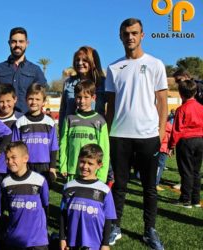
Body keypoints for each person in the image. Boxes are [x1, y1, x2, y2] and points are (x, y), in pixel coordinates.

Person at [105, 18, 167, 249]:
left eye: (134, 33)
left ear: (142, 35)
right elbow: (110, 106)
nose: (130, 37)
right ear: (120, 36)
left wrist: (160, 132)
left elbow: (162, 102)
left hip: (148, 137)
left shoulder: (155, 64)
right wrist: (107, 134)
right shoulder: (113, 67)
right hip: (119, 136)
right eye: (126, 33)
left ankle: (149, 230)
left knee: (149, 187)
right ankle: (115, 227)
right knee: (119, 185)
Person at [59, 144, 116, 250]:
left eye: (90, 163)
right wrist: (62, 238)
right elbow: (63, 214)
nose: (85, 166)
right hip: (72, 241)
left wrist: (105, 244)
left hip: (95, 243)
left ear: (99, 165)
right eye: (82, 161)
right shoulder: (69, 187)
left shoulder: (104, 190)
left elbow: (108, 219)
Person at [1, 141, 49, 249]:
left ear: (25, 158)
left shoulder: (39, 180)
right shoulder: (6, 182)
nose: (10, 162)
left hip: (37, 241)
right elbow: (7, 207)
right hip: (14, 239)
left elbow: (45, 206)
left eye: (14, 157)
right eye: (7, 159)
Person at [59, 79, 110, 182]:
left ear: (93, 98)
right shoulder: (69, 119)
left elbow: (104, 149)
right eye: (79, 97)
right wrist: (63, 165)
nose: (82, 101)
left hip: (92, 173)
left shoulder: (99, 121)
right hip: (72, 170)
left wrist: (102, 174)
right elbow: (63, 144)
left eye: (86, 97)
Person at [0, 27, 47, 113]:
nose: (17, 45)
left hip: (27, 121)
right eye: (14, 41)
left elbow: (41, 95)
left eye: (21, 41)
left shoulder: (35, 70)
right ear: (9, 43)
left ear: (27, 43)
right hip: (3, 122)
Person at [13, 83, 58, 186]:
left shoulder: (49, 122)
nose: (34, 102)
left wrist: (53, 167)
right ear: (26, 100)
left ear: (44, 102)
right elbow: (15, 148)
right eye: (31, 99)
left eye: (37, 99)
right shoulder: (20, 123)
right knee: (26, 193)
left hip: (44, 166)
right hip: (25, 165)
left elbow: (53, 148)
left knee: (43, 197)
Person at [168, 80, 203, 208]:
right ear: (195, 92)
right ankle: (195, 200)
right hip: (200, 140)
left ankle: (186, 200)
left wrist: (171, 145)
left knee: (186, 171)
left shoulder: (181, 109)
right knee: (196, 171)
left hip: (186, 141)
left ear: (180, 94)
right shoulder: (201, 107)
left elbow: (177, 129)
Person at [58, 46, 106, 135]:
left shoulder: (103, 83)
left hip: (95, 134)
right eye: (77, 60)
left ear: (92, 62)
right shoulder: (68, 83)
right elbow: (63, 110)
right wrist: (61, 133)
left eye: (85, 60)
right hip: (72, 134)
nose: (80, 63)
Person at [0, 83, 22, 182]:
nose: (5, 105)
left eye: (8, 101)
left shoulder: (21, 119)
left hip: (16, 166)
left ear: (15, 99)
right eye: (1, 101)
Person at [156, 117, 173, 191]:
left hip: (156, 147)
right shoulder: (169, 126)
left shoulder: (156, 124)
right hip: (163, 148)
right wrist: (171, 149)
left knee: (153, 165)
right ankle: (155, 183)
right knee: (159, 166)